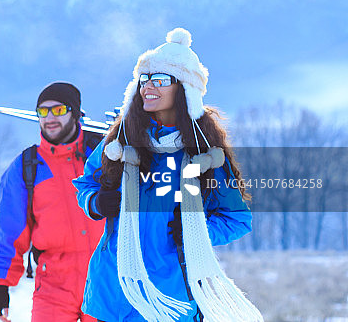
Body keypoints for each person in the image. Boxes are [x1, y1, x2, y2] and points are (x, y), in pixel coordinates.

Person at [73, 28, 262, 322]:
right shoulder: (122, 138)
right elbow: (86, 183)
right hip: (114, 290)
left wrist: (195, 230)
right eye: (144, 79)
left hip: (171, 297)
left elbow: (237, 219)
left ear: (185, 89)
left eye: (160, 79)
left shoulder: (206, 154)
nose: (148, 86)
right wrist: (95, 202)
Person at [0, 82, 105, 322]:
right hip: (54, 287)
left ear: (75, 113)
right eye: (43, 111)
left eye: (58, 110)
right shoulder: (26, 167)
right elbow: (8, 229)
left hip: (106, 282)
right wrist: (1, 286)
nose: (49, 118)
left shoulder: (103, 156)